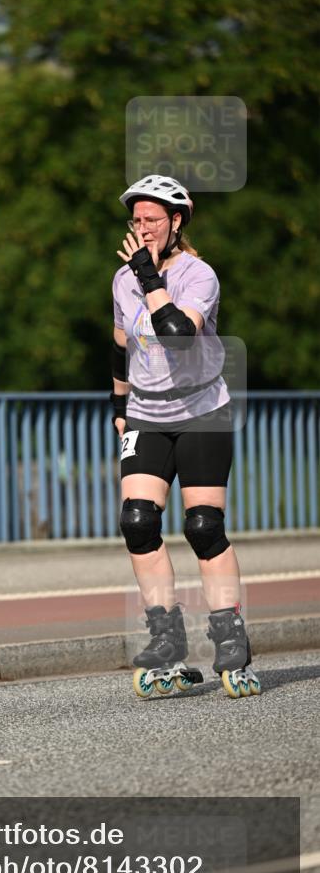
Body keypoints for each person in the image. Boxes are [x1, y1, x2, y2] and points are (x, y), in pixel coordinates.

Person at [110, 174, 261, 699]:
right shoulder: (122, 278)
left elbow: (176, 335)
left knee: (202, 526)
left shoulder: (200, 275)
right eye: (137, 220)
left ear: (177, 222)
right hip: (148, 414)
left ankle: (229, 635)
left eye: (153, 220)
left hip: (202, 411)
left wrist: (150, 278)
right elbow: (121, 342)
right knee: (137, 521)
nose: (143, 228)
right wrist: (119, 404)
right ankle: (167, 638)